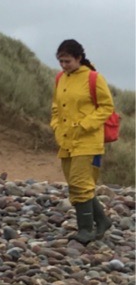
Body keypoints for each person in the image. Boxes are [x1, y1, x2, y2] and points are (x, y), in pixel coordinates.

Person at [50, 39, 114, 244]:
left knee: (80, 184)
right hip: (66, 140)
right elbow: (56, 107)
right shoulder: (60, 78)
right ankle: (102, 220)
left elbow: (106, 107)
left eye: (67, 61)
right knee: (75, 184)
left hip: (88, 141)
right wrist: (56, 126)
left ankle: (85, 230)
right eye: (61, 61)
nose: (64, 65)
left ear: (79, 58)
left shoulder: (94, 78)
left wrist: (85, 125)